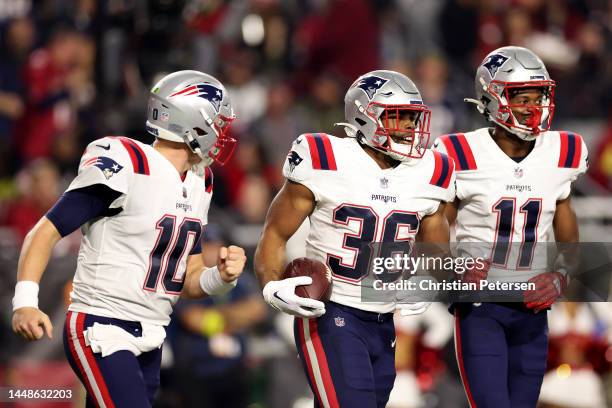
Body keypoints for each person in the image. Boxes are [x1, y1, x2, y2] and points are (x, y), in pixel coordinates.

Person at [11, 70, 247, 407]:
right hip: (101, 326)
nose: (223, 132)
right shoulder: (127, 162)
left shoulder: (200, 180)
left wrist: (220, 278)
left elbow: (188, 279)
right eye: (218, 122)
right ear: (193, 121)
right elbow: (46, 230)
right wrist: (24, 302)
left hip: (151, 333)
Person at [255, 70, 456, 408]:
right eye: (398, 117)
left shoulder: (432, 172)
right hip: (329, 312)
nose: (410, 127)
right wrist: (272, 287)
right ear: (365, 117)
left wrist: (427, 283)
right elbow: (275, 233)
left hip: (384, 320)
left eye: (412, 117)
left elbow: (436, 258)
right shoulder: (325, 157)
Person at [433, 46, 588, 407]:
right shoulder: (461, 153)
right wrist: (450, 270)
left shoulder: (562, 152)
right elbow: (436, 226)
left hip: (533, 307)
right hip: (481, 304)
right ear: (492, 98)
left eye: (539, 96)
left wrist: (561, 274)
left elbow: (567, 225)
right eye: (522, 97)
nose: (534, 107)